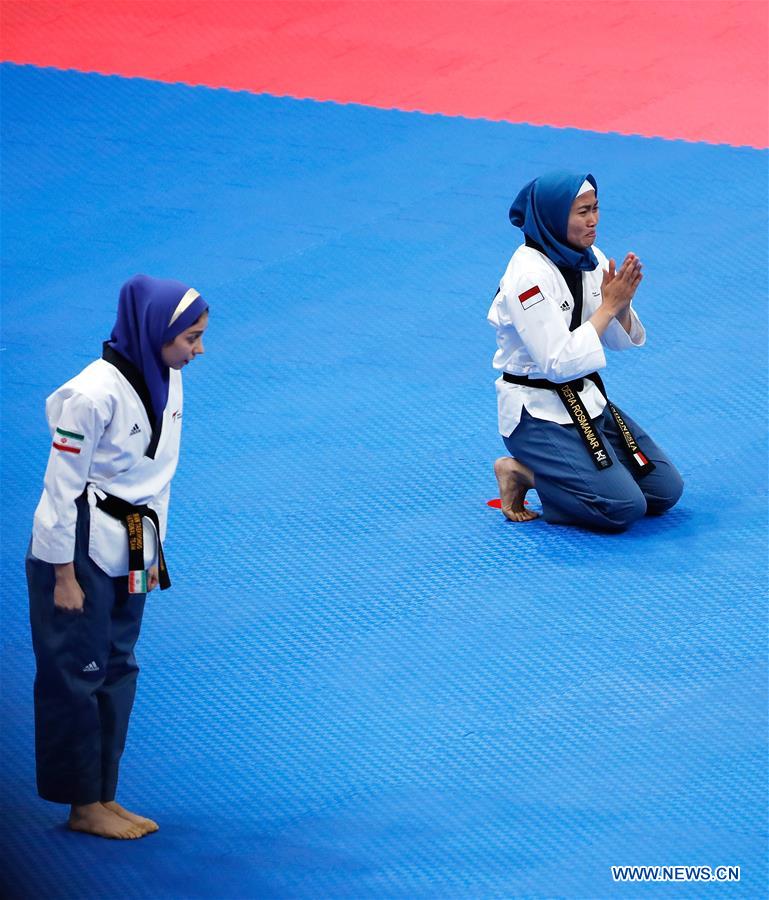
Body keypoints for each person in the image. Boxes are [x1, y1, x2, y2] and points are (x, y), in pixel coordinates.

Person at [26, 274, 209, 838]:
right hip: (76, 547)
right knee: (77, 673)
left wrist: (152, 556)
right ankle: (81, 805)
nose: (199, 350)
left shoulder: (168, 378)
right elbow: (59, 489)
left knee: (119, 666)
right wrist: (62, 576)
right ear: (156, 331)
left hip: (135, 541)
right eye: (192, 338)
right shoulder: (88, 396)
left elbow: (159, 480)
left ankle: (104, 794)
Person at [488, 171, 683, 530]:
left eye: (595, 208)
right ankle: (522, 473)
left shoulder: (589, 257)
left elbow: (617, 340)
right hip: (537, 413)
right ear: (553, 216)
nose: (593, 220)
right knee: (621, 507)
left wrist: (621, 307)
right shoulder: (527, 278)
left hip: (586, 400)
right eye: (582, 212)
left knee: (664, 490)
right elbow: (557, 363)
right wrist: (608, 308)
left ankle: (592, 475)